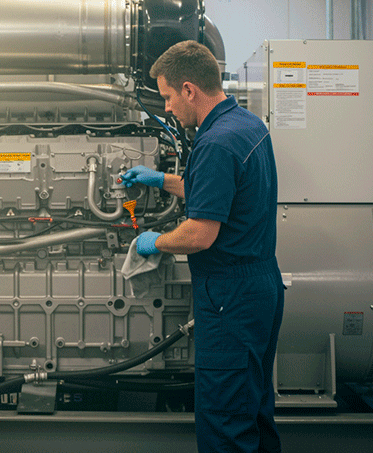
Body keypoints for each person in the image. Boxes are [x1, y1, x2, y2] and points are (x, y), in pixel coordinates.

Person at [120, 40, 284, 453]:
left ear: (190, 89)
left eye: (169, 97)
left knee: (226, 424)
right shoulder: (246, 126)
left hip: (231, 297)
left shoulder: (214, 143)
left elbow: (200, 233)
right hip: (260, 286)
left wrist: (153, 241)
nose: (168, 108)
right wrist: (160, 180)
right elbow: (217, 188)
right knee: (254, 413)